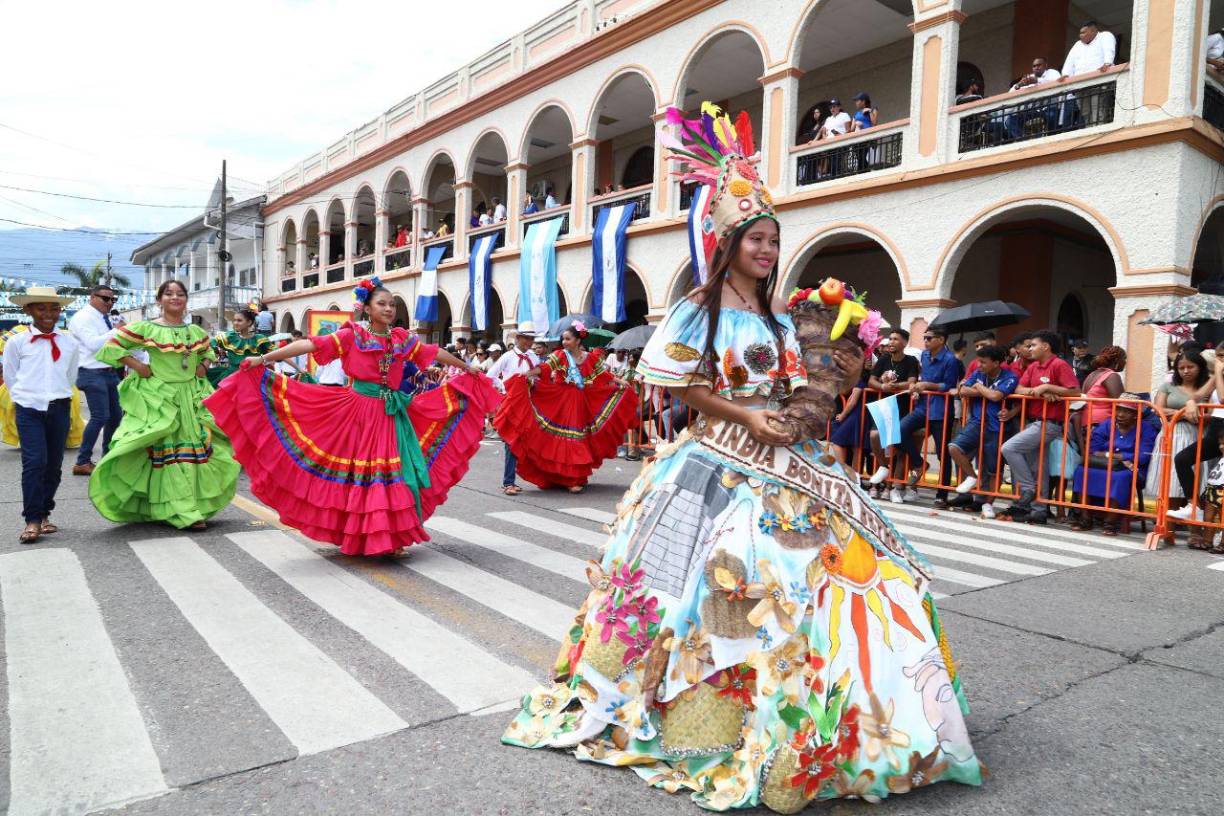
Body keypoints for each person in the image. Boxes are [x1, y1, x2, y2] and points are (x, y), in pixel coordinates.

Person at [503, 105, 983, 808]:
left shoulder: (784, 318)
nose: (766, 249)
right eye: (755, 237)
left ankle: (855, 727)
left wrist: (828, 381)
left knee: (848, 582)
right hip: (716, 466)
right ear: (727, 241)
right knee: (712, 591)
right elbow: (672, 383)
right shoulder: (698, 308)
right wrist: (745, 414)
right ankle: (707, 722)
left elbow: (796, 388)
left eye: (773, 239)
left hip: (797, 462)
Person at [203, 278, 497, 556]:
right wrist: (264, 359)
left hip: (392, 414)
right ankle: (359, 535)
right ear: (367, 308)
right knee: (362, 476)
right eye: (381, 303)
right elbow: (311, 344)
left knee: (395, 475)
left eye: (392, 304)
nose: (388, 309)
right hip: (356, 411)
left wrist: (467, 367)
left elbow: (432, 353)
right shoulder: (353, 335)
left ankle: (391, 537)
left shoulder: (400, 339)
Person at [89, 280, 239, 530]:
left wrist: (202, 367)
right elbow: (112, 347)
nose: (175, 298)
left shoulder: (195, 332)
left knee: (193, 453)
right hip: (161, 397)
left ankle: (189, 506)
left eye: (180, 294)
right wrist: (139, 366)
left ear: (186, 300)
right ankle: (182, 511)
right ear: (159, 300)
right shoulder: (147, 328)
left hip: (191, 397)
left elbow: (207, 353)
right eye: (168, 293)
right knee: (167, 453)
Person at [494, 319, 638, 493]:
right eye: (563, 339)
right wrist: (526, 374)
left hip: (581, 402)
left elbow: (603, 374)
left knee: (578, 439)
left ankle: (574, 477)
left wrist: (620, 381)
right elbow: (546, 368)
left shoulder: (590, 358)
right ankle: (567, 479)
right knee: (565, 439)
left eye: (568, 339)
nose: (564, 342)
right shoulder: (560, 355)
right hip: (562, 401)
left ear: (578, 340)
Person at [4, 286, 80, 544]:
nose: (48, 313)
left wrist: (57, 394)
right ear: (28, 310)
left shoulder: (69, 342)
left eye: (54, 308)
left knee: (53, 466)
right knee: (34, 463)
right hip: (29, 409)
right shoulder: (17, 342)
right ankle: (32, 520)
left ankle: (45, 512)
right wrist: (25, 399)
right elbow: (11, 377)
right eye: (41, 307)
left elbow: (71, 376)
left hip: (59, 407)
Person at [867, 325, 960, 508]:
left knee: (943, 454)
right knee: (898, 431)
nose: (925, 341)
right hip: (922, 406)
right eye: (924, 338)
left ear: (941, 340)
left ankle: (942, 495)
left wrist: (926, 385)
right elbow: (916, 380)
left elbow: (948, 385)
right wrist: (917, 387)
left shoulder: (951, 360)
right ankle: (919, 463)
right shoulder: (924, 356)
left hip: (941, 411)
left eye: (929, 338)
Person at [999, 331, 1081, 524]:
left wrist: (1048, 388)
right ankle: (1039, 510)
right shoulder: (1034, 366)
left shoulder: (1060, 365)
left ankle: (1028, 489)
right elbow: (1019, 389)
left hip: (1050, 423)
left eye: (1033, 345)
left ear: (1046, 346)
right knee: (1038, 468)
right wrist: (1039, 392)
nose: (1030, 349)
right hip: (1034, 421)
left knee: (1009, 448)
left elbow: (1076, 391)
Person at [1068, 396, 1157, 536]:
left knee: (1120, 477)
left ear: (1136, 415)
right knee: (1081, 471)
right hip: (1104, 465)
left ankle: (1111, 521)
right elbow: (1092, 450)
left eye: (1126, 411)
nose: (1120, 414)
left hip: (1132, 469)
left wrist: (1107, 454)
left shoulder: (1146, 429)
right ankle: (1085, 518)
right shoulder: (1107, 425)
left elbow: (1142, 457)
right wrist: (1118, 457)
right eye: (1119, 409)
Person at [947, 345, 1019, 519]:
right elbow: (962, 390)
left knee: (993, 469)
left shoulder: (1009, 377)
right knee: (954, 447)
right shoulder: (979, 375)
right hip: (977, 422)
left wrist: (978, 389)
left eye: (983, 362)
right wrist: (983, 390)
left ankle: (988, 503)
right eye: (979, 361)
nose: (979, 365)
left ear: (996, 363)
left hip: (997, 427)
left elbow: (996, 396)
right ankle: (971, 477)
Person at [1146, 349, 1212, 510]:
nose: (1186, 371)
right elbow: (1158, 409)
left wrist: (1186, 415)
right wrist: (1182, 413)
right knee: (1170, 479)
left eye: (1190, 367)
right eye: (1181, 368)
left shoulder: (1207, 388)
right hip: (1171, 434)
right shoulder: (1168, 386)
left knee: (1195, 476)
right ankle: (1168, 523)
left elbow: (1209, 414)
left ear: (1200, 367)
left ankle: (1193, 524)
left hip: (1195, 435)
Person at [69, 284, 122, 476]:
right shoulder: (83, 317)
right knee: (101, 416)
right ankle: (82, 461)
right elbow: (92, 344)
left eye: (112, 299)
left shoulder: (101, 317)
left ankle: (107, 457)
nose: (109, 303)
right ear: (92, 297)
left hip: (107, 371)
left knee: (116, 417)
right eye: (105, 298)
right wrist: (117, 331)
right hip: (91, 372)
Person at [486, 322, 540, 495]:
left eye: (531, 339)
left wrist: (532, 381)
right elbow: (490, 375)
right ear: (518, 338)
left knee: (530, 442)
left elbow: (539, 376)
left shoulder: (533, 357)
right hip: (510, 404)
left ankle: (541, 477)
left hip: (528, 405)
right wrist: (504, 386)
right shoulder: (508, 356)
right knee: (511, 441)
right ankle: (508, 482)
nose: (529, 342)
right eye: (526, 338)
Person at [867, 328, 921, 501]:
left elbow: (912, 383)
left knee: (898, 449)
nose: (891, 342)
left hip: (904, 407)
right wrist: (882, 387)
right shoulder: (883, 359)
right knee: (875, 435)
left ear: (904, 343)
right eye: (890, 339)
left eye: (895, 339)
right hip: (885, 406)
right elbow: (871, 380)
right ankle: (883, 466)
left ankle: (895, 488)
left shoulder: (911, 361)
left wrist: (895, 386)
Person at [208, 308, 274, 386]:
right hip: (232, 378)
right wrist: (216, 351)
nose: (235, 323)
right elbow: (208, 345)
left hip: (254, 380)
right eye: (234, 320)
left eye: (239, 320)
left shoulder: (260, 339)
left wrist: (292, 365)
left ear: (249, 322)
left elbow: (277, 352)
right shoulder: (230, 337)